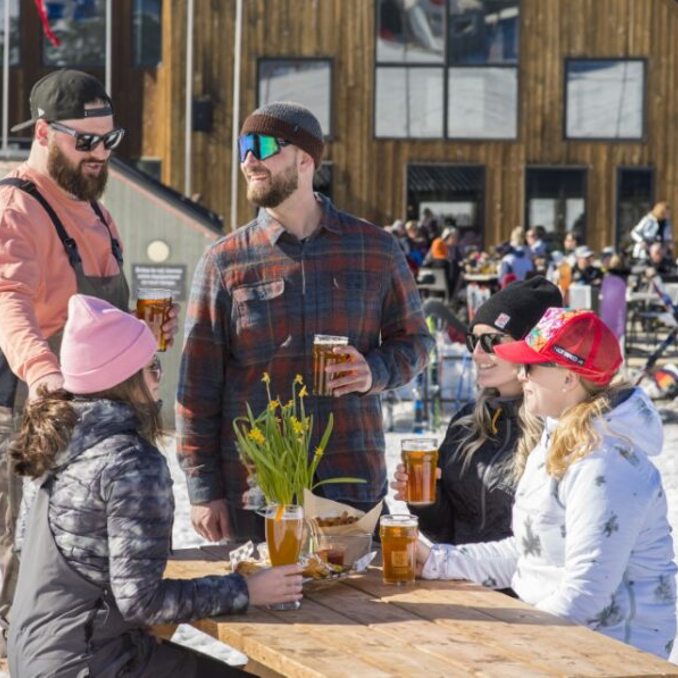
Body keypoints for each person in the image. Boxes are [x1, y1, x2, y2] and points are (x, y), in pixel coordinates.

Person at [176, 101, 433, 543]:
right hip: (259, 494)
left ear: (305, 160)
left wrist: (375, 371)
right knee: (272, 615)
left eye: (263, 145)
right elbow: (196, 389)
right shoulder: (224, 262)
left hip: (349, 482)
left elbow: (416, 342)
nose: (249, 160)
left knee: (363, 612)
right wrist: (203, 489)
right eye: (243, 147)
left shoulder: (375, 249)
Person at [7, 294, 303, 676]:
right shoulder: (129, 461)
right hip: (93, 663)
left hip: (34, 658)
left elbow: (26, 548)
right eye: (153, 367)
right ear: (126, 379)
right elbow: (142, 603)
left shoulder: (51, 444)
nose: (159, 378)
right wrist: (247, 589)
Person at [0, 68, 179, 636]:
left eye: (110, 140)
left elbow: (102, 317)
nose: (101, 153)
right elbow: (9, 300)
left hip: (102, 430)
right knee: (19, 571)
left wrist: (142, 333)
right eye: (86, 141)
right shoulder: (16, 208)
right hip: (38, 415)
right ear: (45, 133)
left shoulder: (100, 212)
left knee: (89, 579)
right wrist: (46, 376)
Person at [417, 307, 677, 659]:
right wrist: (435, 561)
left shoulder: (605, 463)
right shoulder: (557, 437)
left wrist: (512, 649)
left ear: (568, 378)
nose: (522, 376)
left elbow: (584, 594)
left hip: (614, 654)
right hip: (563, 641)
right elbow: (530, 554)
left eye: (530, 366)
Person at [391, 277, 562, 545]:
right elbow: (445, 531)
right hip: (463, 579)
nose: (477, 353)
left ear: (528, 347)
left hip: (520, 584)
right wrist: (425, 500)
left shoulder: (557, 429)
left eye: (492, 340)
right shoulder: (466, 423)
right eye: (474, 341)